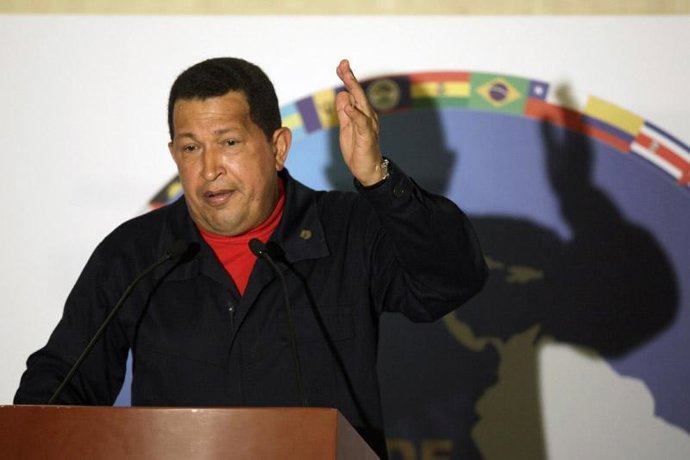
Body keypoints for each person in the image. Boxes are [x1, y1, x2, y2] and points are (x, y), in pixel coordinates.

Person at [14, 57, 487, 458]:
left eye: (229, 142)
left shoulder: (348, 229)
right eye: (191, 148)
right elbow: (58, 388)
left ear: (277, 148)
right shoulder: (136, 254)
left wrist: (377, 181)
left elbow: (450, 281)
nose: (209, 169)